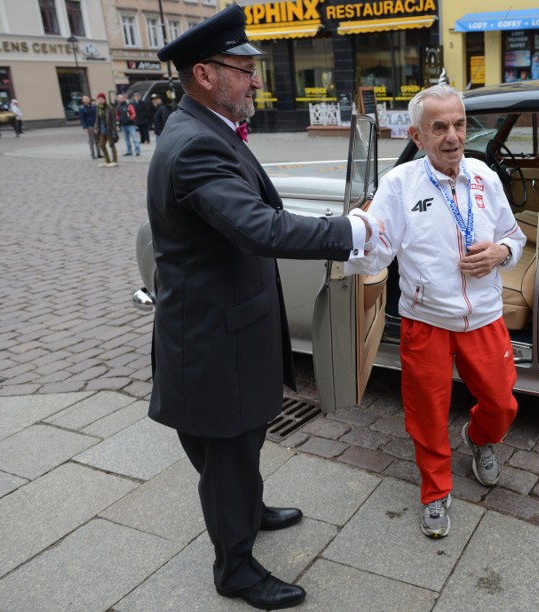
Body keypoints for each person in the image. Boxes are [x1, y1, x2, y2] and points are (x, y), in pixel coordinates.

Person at [149, 5, 381, 610]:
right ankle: (236, 569)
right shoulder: (196, 145)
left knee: (242, 444)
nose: (256, 79)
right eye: (244, 68)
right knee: (226, 455)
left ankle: (247, 510)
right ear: (204, 74)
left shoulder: (208, 130)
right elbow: (259, 228)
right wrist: (349, 231)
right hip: (209, 344)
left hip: (228, 327)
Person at [345, 84, 526, 538]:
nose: (452, 136)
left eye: (460, 124)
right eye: (439, 127)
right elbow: (378, 250)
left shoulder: (485, 176)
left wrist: (500, 252)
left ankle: (480, 439)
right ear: (418, 135)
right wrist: (352, 236)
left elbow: (515, 238)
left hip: (483, 315)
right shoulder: (400, 183)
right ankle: (435, 491)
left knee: (502, 402)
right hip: (424, 320)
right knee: (426, 415)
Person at [93, 93, 118, 167]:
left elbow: (113, 120)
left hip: (109, 129)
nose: (100, 100)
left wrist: (114, 130)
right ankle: (107, 160)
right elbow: (97, 119)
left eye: (102, 99)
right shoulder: (98, 108)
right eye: (99, 99)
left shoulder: (110, 108)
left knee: (111, 144)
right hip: (101, 130)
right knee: (101, 145)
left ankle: (114, 160)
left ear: (104, 99)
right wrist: (96, 127)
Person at [78, 95, 99, 159]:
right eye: (85, 99)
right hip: (89, 126)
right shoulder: (81, 108)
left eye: (87, 99)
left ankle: (99, 153)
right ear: (83, 100)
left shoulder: (93, 107)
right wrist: (85, 127)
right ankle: (92, 154)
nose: (86, 100)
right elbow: (82, 119)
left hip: (95, 125)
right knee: (91, 140)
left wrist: (97, 125)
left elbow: (96, 116)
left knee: (97, 140)